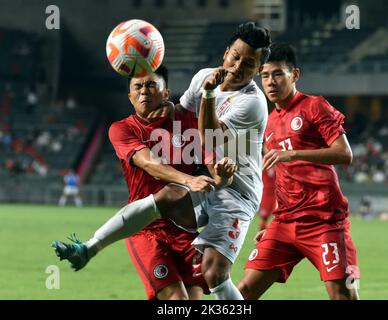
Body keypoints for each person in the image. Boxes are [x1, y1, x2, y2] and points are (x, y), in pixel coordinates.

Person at [52, 21, 271, 300]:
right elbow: (182, 115)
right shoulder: (203, 76)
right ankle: (90, 247)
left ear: (257, 70)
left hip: (236, 193)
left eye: (249, 63)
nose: (239, 66)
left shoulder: (252, 102)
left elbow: (210, 135)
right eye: (236, 56)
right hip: (206, 183)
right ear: (226, 52)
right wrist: (166, 107)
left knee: (214, 272)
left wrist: (207, 94)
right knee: (172, 192)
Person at [53, 65, 235, 300]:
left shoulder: (189, 122)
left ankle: (91, 247)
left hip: (187, 229)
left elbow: (215, 172)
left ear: (166, 93)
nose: (144, 92)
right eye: (137, 87)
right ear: (129, 96)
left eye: (151, 85)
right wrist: (189, 180)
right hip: (147, 229)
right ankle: (92, 247)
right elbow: (150, 164)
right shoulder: (123, 129)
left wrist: (225, 175)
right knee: (177, 301)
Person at [238, 43, 360, 300]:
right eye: (265, 75)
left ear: (295, 75)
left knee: (342, 295)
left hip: (324, 222)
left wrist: (293, 153)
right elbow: (285, 178)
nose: (271, 82)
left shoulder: (314, 106)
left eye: (278, 74)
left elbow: (344, 153)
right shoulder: (269, 122)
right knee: (244, 291)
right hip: (285, 223)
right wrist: (273, 223)